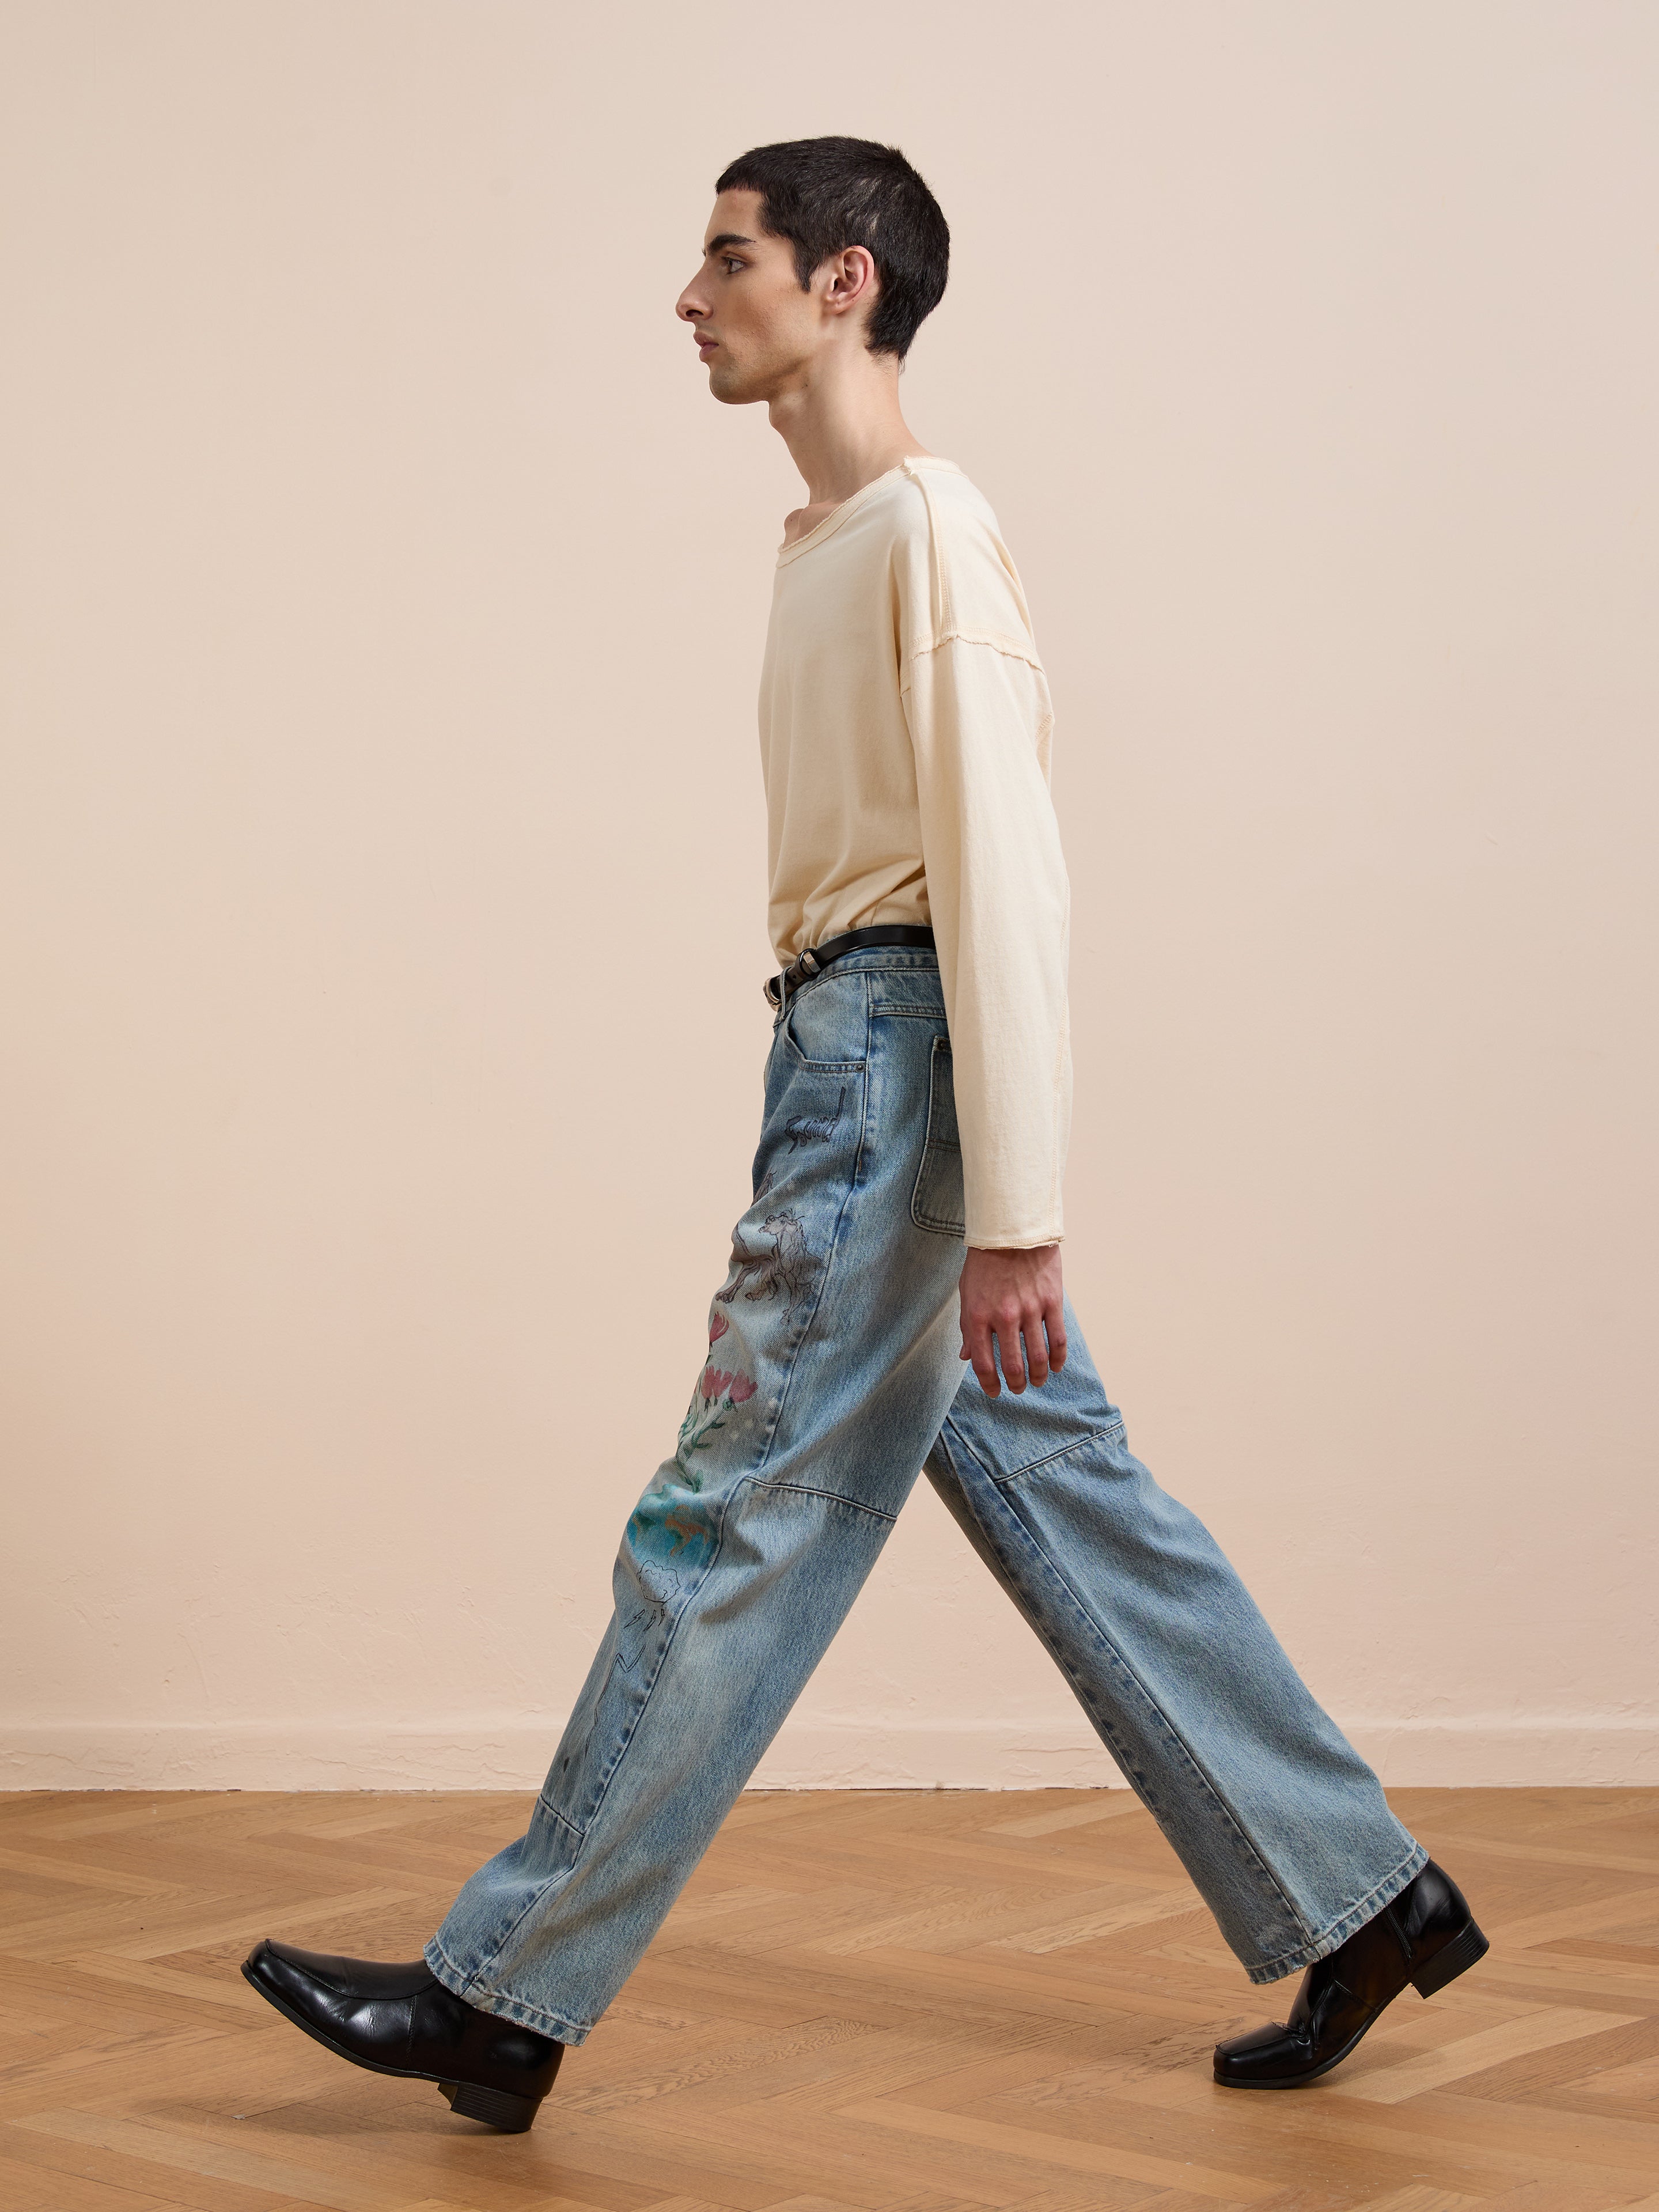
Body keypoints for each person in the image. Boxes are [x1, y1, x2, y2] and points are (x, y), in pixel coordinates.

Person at [241, 135, 1487, 2135]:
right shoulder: (832, 542)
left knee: (724, 1515)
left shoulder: (927, 527)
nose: (687, 293)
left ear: (840, 284)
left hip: (893, 1068)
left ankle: (504, 1993)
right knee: (1058, 1480)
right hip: (856, 1048)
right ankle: (1361, 1894)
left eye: (725, 256)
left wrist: (1020, 1211)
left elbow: (1010, 878)